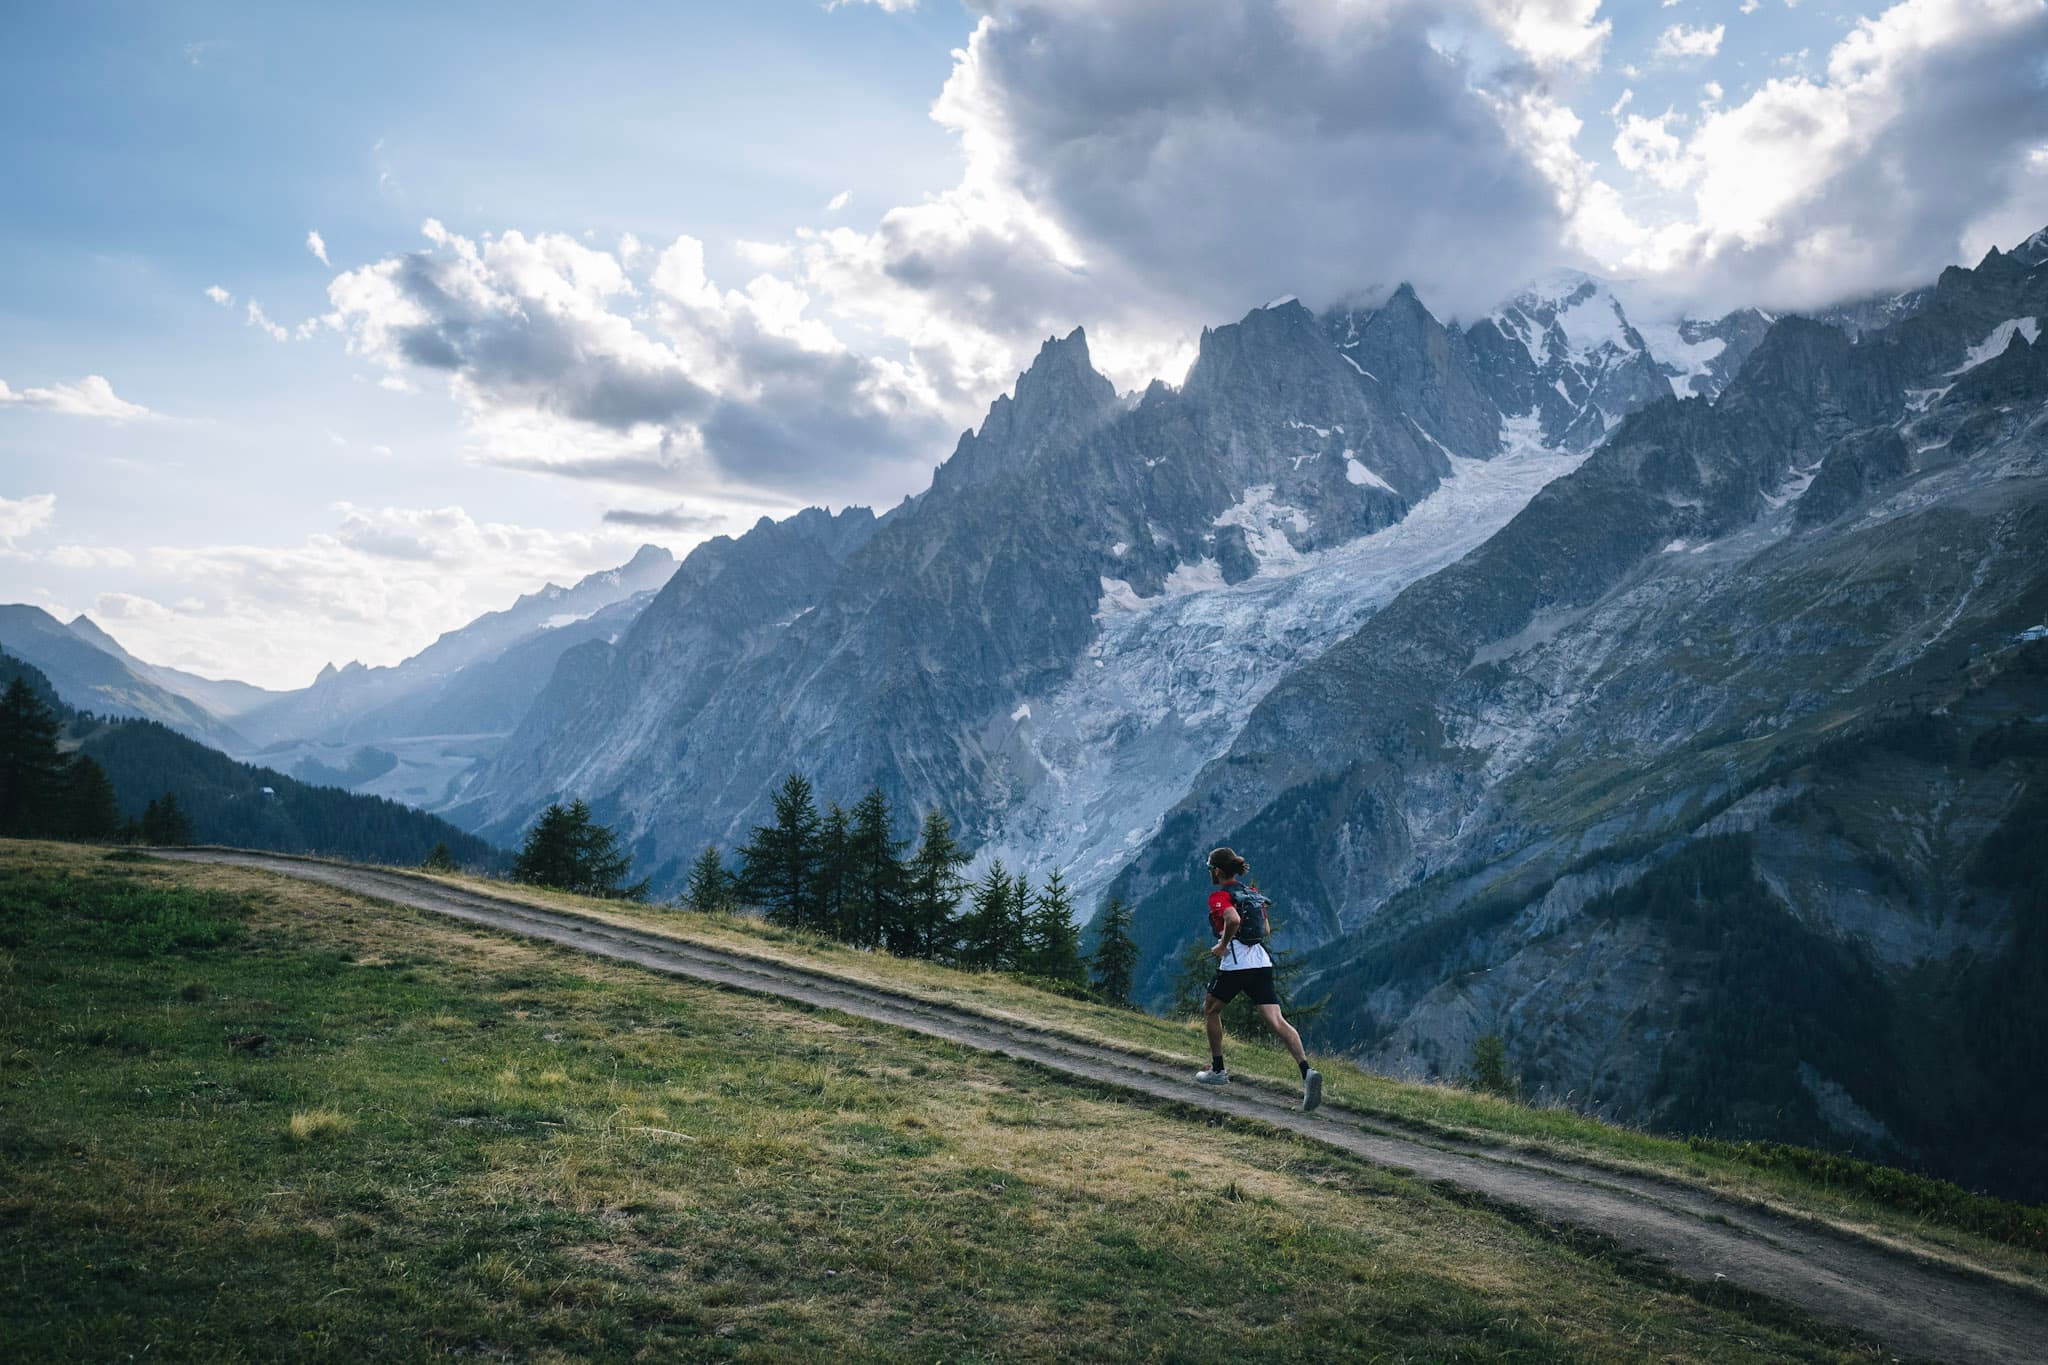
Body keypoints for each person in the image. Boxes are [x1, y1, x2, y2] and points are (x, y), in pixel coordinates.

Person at [1194, 846, 1322, 1111]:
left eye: (1210, 869)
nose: (1210, 873)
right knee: (1277, 1020)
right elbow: (1265, 928)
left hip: (1236, 963)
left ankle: (1218, 1070)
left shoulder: (1220, 895)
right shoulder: (1251, 893)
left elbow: (1232, 919)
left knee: (1211, 1010)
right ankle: (1306, 1071)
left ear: (1217, 871)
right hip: (1261, 961)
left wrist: (1222, 945)